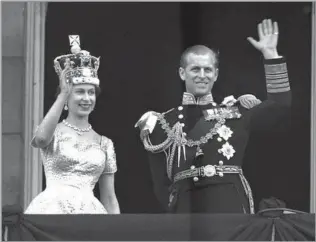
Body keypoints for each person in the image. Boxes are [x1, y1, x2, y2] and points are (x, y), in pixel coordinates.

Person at [135, 19, 291, 213]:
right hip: (185, 211)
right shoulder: (161, 123)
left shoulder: (236, 112)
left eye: (208, 69)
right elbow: (160, 183)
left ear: (216, 74)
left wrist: (271, 55)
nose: (202, 75)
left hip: (228, 206)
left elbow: (280, 106)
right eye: (195, 69)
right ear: (182, 73)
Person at [25, 36, 120, 214]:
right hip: (52, 211)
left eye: (91, 92)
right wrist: (63, 93)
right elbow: (40, 139)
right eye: (79, 92)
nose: (86, 98)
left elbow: (109, 197)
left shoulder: (104, 143)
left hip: (90, 214)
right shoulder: (53, 131)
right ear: (68, 96)